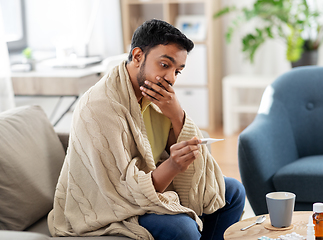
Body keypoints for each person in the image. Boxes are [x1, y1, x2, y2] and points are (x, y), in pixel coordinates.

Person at [48, 19, 246, 240]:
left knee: (233, 192)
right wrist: (172, 165)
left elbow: (176, 147)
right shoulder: (99, 108)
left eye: (177, 71)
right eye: (164, 65)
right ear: (137, 56)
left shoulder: (156, 96)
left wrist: (176, 114)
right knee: (183, 229)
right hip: (110, 204)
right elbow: (120, 191)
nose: (171, 78)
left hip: (151, 185)